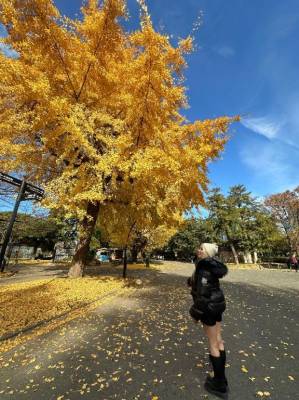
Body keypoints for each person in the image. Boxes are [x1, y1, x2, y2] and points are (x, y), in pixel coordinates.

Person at [187, 243, 229, 399]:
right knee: (219, 340)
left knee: (213, 343)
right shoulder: (211, 266)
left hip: (209, 308)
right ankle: (220, 376)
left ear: (208, 253)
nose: (198, 250)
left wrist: (195, 313)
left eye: (202, 249)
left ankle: (219, 383)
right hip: (217, 304)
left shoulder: (203, 268)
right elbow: (207, 284)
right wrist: (191, 281)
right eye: (198, 248)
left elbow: (202, 296)